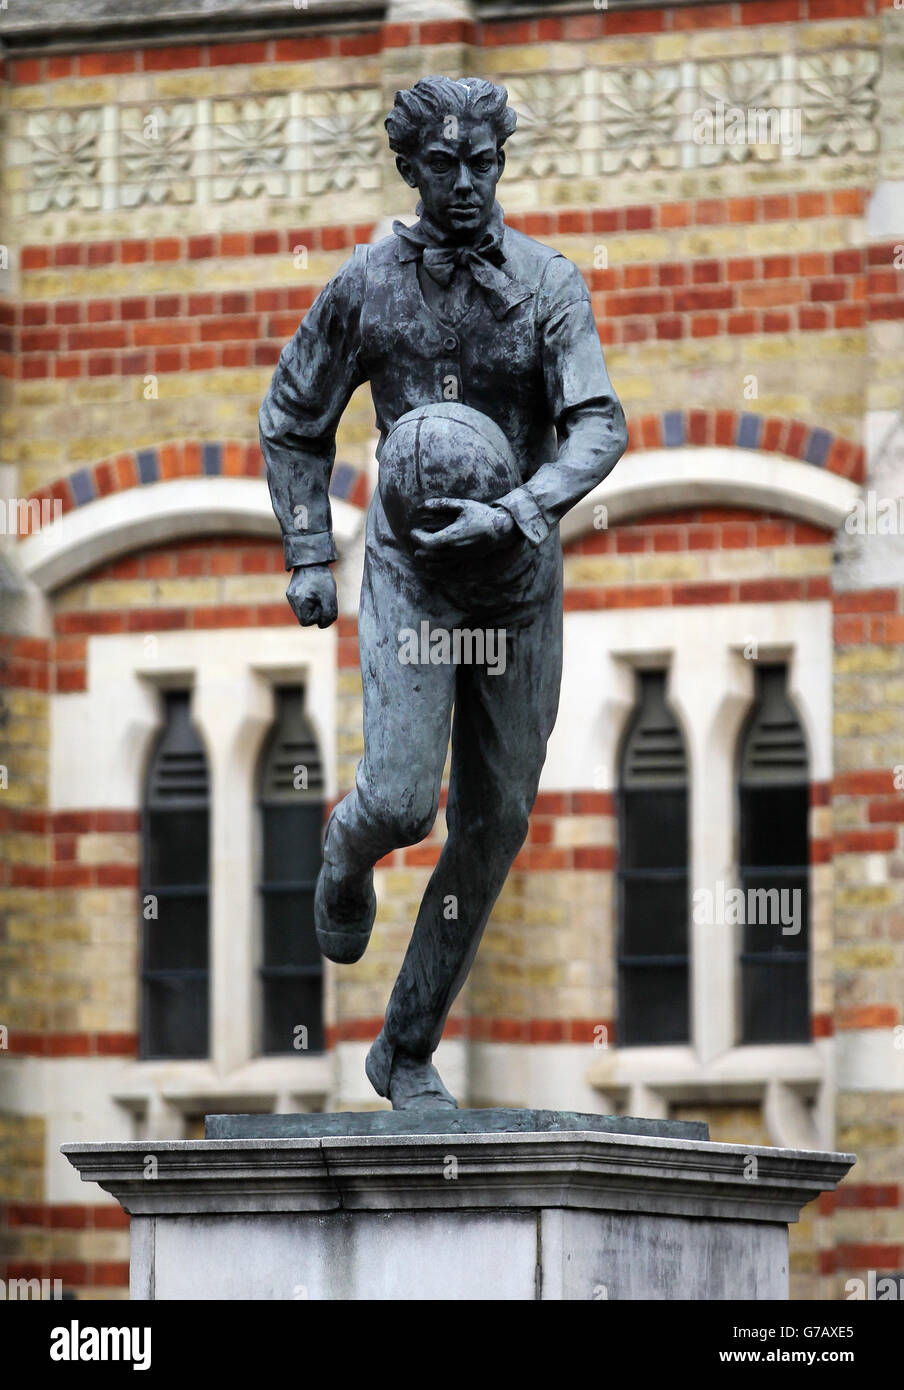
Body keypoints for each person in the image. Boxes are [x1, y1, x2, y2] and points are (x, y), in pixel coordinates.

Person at [259, 75, 628, 1110]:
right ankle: (343, 850)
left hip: (514, 580)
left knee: (494, 821)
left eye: (484, 163)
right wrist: (306, 552)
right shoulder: (367, 283)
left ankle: (406, 1048)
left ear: (500, 165)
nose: (466, 184)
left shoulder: (549, 285)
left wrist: (520, 508)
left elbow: (599, 423)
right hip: (415, 574)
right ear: (411, 169)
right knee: (399, 800)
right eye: (444, 165)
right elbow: (293, 416)